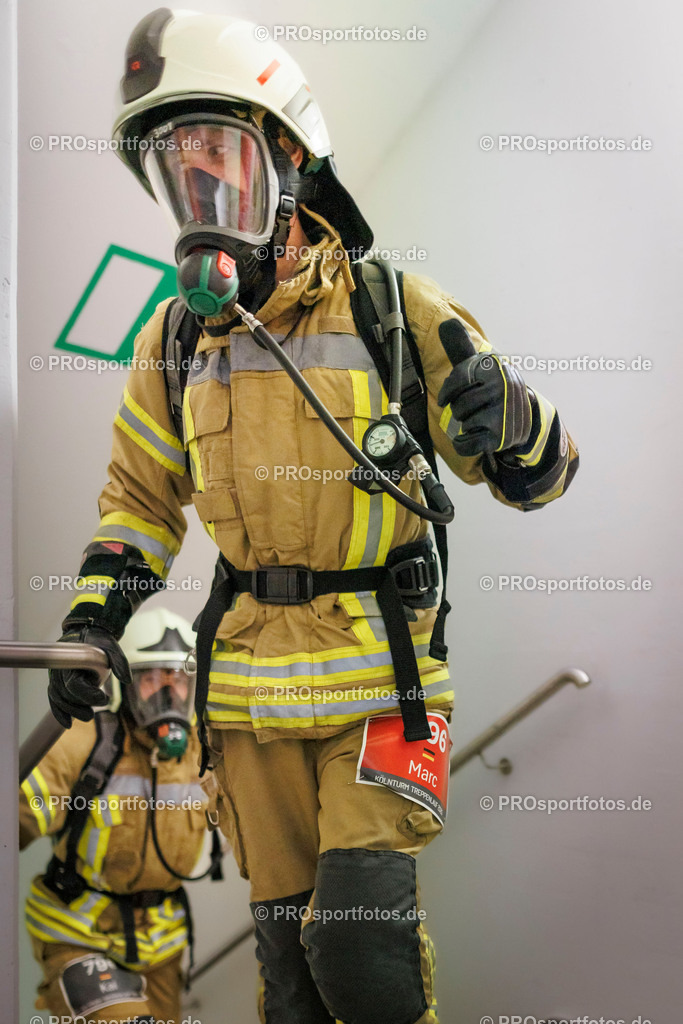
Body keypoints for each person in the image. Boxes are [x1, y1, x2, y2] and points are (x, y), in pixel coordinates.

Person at [46, 10, 579, 1023]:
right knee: (290, 982)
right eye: (175, 168)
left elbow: (537, 476)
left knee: (361, 954)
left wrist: (511, 418)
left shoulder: (390, 307)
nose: (197, 188)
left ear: (289, 160)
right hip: (247, 702)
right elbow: (138, 506)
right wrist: (91, 620)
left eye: (216, 154)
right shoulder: (173, 345)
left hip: (380, 681)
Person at [23, 609, 221, 1024]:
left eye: (178, 679)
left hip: (163, 943)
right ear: (125, 685)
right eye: (152, 679)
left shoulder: (203, 756)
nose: (168, 693)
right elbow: (17, 819)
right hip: (79, 934)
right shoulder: (82, 742)